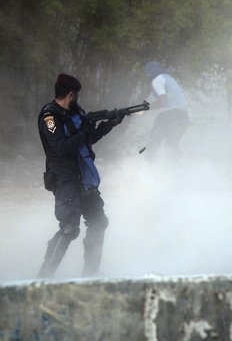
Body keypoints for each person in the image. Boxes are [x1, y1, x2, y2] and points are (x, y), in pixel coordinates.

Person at [36, 73, 122, 279]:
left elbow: (86, 139)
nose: (78, 99)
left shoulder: (76, 113)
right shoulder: (50, 117)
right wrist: (85, 130)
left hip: (84, 175)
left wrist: (109, 124)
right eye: (77, 95)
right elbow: (62, 147)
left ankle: (91, 272)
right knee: (69, 228)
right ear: (71, 93)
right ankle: (44, 277)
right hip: (65, 177)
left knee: (98, 221)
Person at [143, 61, 189, 160]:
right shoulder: (169, 78)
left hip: (171, 115)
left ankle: (147, 167)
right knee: (171, 146)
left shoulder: (157, 80)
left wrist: (146, 108)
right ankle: (181, 168)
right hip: (184, 117)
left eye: (148, 73)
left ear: (151, 72)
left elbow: (162, 102)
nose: (147, 75)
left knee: (153, 142)